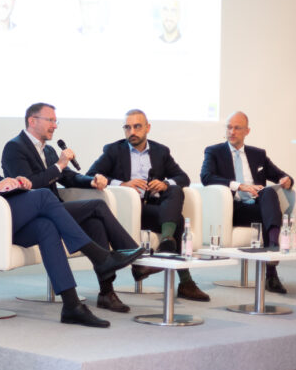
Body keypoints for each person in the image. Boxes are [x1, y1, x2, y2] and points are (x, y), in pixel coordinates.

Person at [0, 98, 145, 328]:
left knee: (45, 227)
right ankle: (100, 257)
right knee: (44, 196)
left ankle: (72, 306)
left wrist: (15, 182)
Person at [1, 103, 162, 314]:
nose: (54, 126)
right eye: (50, 120)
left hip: (56, 210)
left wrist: (91, 181)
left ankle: (106, 293)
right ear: (32, 121)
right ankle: (137, 263)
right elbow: (30, 185)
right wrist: (59, 165)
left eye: (55, 121)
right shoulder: (15, 147)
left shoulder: (48, 150)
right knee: (97, 206)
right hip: (35, 215)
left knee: (95, 222)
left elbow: (68, 177)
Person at [87, 109, 211, 301]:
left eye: (137, 127)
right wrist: (123, 184)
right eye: (127, 127)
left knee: (175, 190)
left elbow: (182, 177)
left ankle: (167, 242)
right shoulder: (113, 150)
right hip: (129, 209)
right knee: (177, 220)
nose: (132, 132)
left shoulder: (161, 151)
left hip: (154, 208)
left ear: (147, 128)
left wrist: (164, 184)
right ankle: (185, 281)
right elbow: (92, 176)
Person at [200, 111, 295, 293]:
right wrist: (239, 186)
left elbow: (279, 175)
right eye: (229, 127)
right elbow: (206, 177)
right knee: (270, 214)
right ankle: (272, 269)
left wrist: (286, 180)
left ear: (247, 131)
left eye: (237, 128)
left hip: (257, 206)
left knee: (268, 192)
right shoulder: (214, 152)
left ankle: (272, 247)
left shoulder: (257, 154)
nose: (232, 132)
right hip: (234, 208)